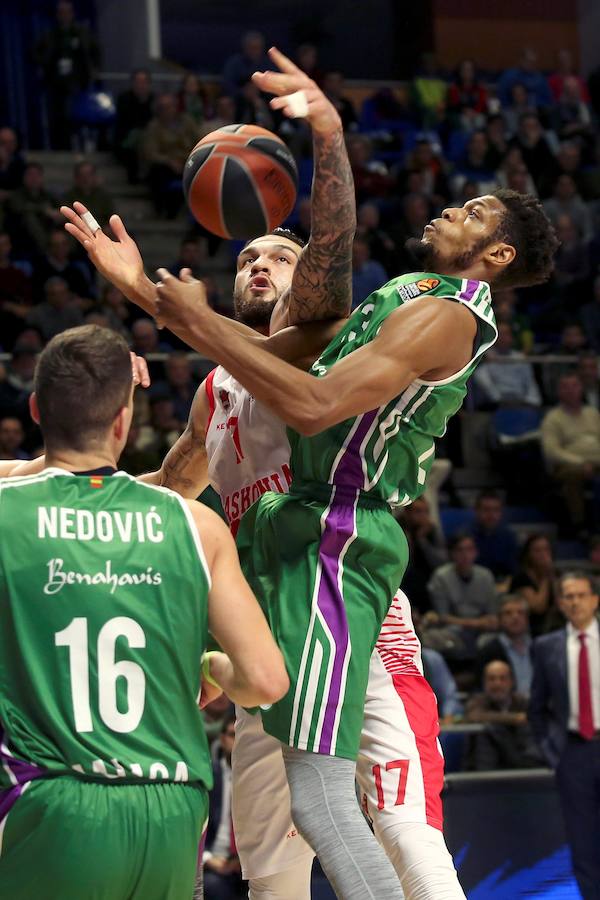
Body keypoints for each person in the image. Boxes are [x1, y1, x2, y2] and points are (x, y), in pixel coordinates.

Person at [61, 47, 468, 900]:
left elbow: (333, 238)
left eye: (276, 258)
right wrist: (95, 429)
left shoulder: (319, 336)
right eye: (247, 258)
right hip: (264, 636)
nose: (260, 264)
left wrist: (325, 137)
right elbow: (170, 495)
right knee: (272, 869)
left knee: (402, 830)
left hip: (354, 621)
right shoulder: (218, 387)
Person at [0, 324, 288, 899]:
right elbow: (264, 680)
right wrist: (210, 668)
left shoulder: (7, 511)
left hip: (52, 799)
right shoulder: (195, 523)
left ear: (35, 410)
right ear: (123, 422)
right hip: (174, 807)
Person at [529, 572, 600, 900]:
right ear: (560, 603)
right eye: (568, 596)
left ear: (595, 599)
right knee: (583, 840)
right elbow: (537, 708)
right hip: (573, 753)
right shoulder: (546, 647)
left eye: (581, 595)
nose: (575, 602)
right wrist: (552, 753)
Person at [34, 0, 101, 150]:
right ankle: (61, 147)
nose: (64, 15)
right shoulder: (50, 34)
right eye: (61, 12)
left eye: (67, 12)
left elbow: (95, 52)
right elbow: (36, 53)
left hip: (78, 81)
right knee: (58, 116)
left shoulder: (82, 32)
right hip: (56, 82)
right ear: (57, 15)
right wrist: (44, 63)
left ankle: (83, 146)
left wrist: (95, 69)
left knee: (78, 114)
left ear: (72, 14)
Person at [541, 373, 600, 534]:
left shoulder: (592, 413)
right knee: (574, 475)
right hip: (569, 466)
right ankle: (580, 525)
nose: (571, 390)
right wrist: (580, 462)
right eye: (565, 387)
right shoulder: (553, 418)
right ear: (559, 391)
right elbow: (552, 451)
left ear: (581, 388)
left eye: (574, 386)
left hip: (596, 462)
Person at [426, 534, 499, 659]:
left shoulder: (486, 576)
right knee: (432, 638)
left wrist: (483, 623)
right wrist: (476, 623)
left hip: (482, 632)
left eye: (469, 549)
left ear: (476, 552)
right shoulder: (441, 577)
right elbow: (443, 617)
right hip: (452, 631)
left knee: (495, 640)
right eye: (460, 550)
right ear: (452, 554)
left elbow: (493, 616)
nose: (465, 555)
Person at [465, 660, 541, 770]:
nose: (497, 684)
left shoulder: (522, 702)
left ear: (511, 682)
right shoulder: (477, 702)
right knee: (486, 732)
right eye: (492, 679)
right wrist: (515, 718)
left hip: (522, 765)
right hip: (485, 771)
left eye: (502, 678)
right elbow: (475, 716)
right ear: (484, 683)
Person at [203, 713, 244, 900]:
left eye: (242, 735)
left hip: (252, 863)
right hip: (214, 860)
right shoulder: (208, 777)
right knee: (213, 887)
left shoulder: (262, 780)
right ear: (222, 739)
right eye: (232, 735)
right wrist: (208, 859)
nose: (237, 741)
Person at [472, 321, 541, 408]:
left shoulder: (520, 358)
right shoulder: (485, 357)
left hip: (521, 401)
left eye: (506, 334)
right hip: (495, 404)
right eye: (500, 334)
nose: (503, 337)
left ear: (512, 337)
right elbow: (481, 379)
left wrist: (533, 402)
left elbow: (529, 382)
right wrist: (498, 400)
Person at [475, 594, 533, 696]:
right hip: (507, 709)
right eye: (508, 613)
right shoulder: (488, 652)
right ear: (499, 619)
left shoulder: (539, 648)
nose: (515, 617)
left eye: (520, 613)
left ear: (527, 618)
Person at [510, 534, 558, 637]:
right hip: (529, 629)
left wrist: (552, 576)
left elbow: (560, 602)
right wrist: (546, 575)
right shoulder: (521, 578)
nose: (543, 554)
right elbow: (538, 607)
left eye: (546, 549)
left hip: (552, 627)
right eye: (537, 550)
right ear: (528, 554)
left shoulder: (555, 574)